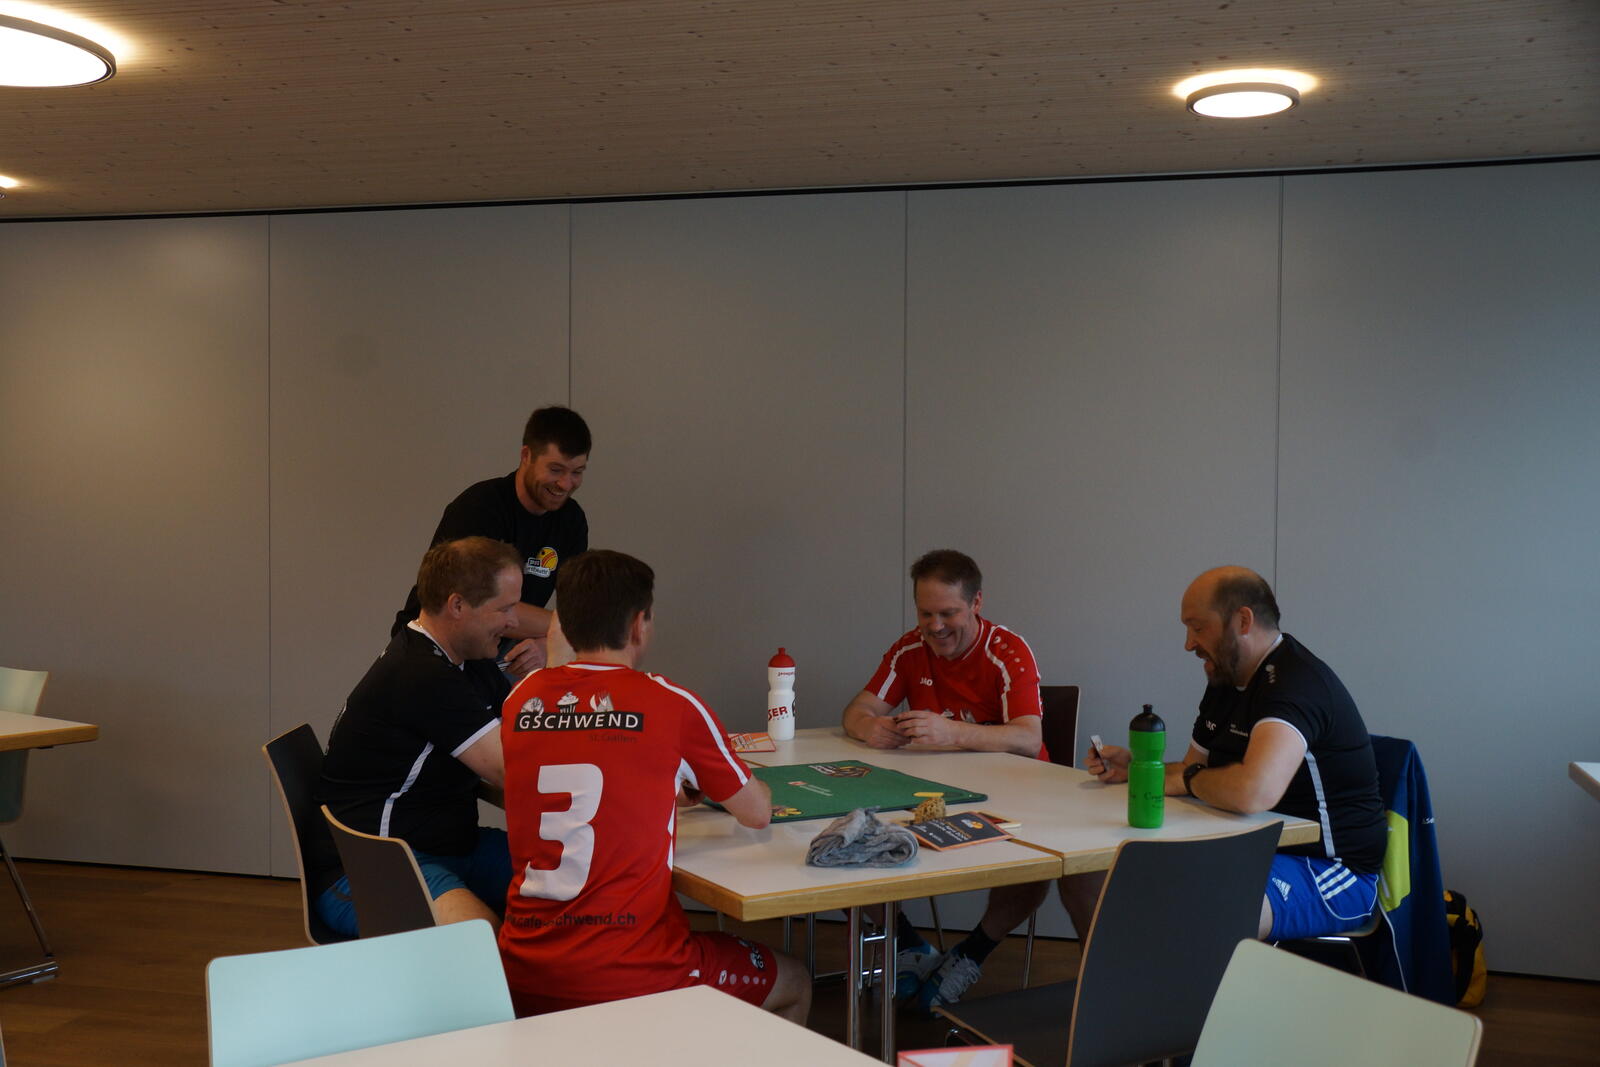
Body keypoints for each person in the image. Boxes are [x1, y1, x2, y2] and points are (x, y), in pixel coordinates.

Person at [497, 549, 811, 1023]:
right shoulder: (672, 703)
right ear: (639, 626)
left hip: (523, 970)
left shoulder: (520, 699)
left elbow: (583, 756)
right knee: (795, 981)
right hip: (633, 970)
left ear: (562, 623)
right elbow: (756, 813)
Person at [1073, 565, 1386, 942]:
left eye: (1197, 627)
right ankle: (1115, 980)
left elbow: (1251, 792)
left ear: (1242, 621)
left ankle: (1172, 981)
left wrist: (1189, 779)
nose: (1189, 643)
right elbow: (1192, 771)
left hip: (1331, 868)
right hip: (1249, 846)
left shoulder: (1296, 684)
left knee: (1215, 905)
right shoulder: (1226, 678)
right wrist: (1141, 769)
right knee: (1089, 875)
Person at [840, 549, 1047, 1012]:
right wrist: (869, 727)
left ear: (976, 603)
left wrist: (951, 731)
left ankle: (971, 953)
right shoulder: (909, 648)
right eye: (925, 613)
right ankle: (906, 943)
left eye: (948, 613)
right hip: (930, 791)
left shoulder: (1007, 649)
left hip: (1018, 793)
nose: (934, 627)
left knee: (1037, 862)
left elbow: (1029, 739)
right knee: (846, 837)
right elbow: (857, 710)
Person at [313, 537, 523, 937]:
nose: (514, 622)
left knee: (580, 882)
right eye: (505, 608)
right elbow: (513, 770)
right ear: (457, 605)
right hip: (374, 865)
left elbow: (530, 733)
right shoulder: (420, 673)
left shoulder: (469, 660)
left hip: (448, 847)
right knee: (474, 940)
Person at [392, 405, 591, 678]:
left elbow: (576, 614)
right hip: (437, 650)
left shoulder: (571, 520)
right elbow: (478, 610)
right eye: (556, 470)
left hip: (498, 650)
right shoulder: (481, 508)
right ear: (526, 456)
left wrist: (547, 645)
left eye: (577, 472)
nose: (566, 484)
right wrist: (561, 629)